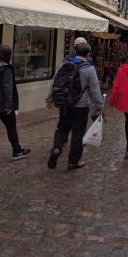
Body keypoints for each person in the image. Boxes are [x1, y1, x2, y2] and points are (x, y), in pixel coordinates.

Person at [46, 42, 104, 171]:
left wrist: (49, 99)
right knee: (78, 134)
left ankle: (57, 148)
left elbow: (54, 82)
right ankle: (73, 162)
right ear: (88, 54)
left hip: (65, 105)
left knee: (62, 129)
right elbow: (95, 90)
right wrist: (100, 106)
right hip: (81, 106)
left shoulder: (64, 65)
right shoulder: (89, 69)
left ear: (75, 51)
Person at [0, 45, 31, 161]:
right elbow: (7, 87)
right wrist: (9, 105)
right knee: (11, 128)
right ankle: (17, 151)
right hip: (3, 106)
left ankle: (17, 150)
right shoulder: (6, 68)